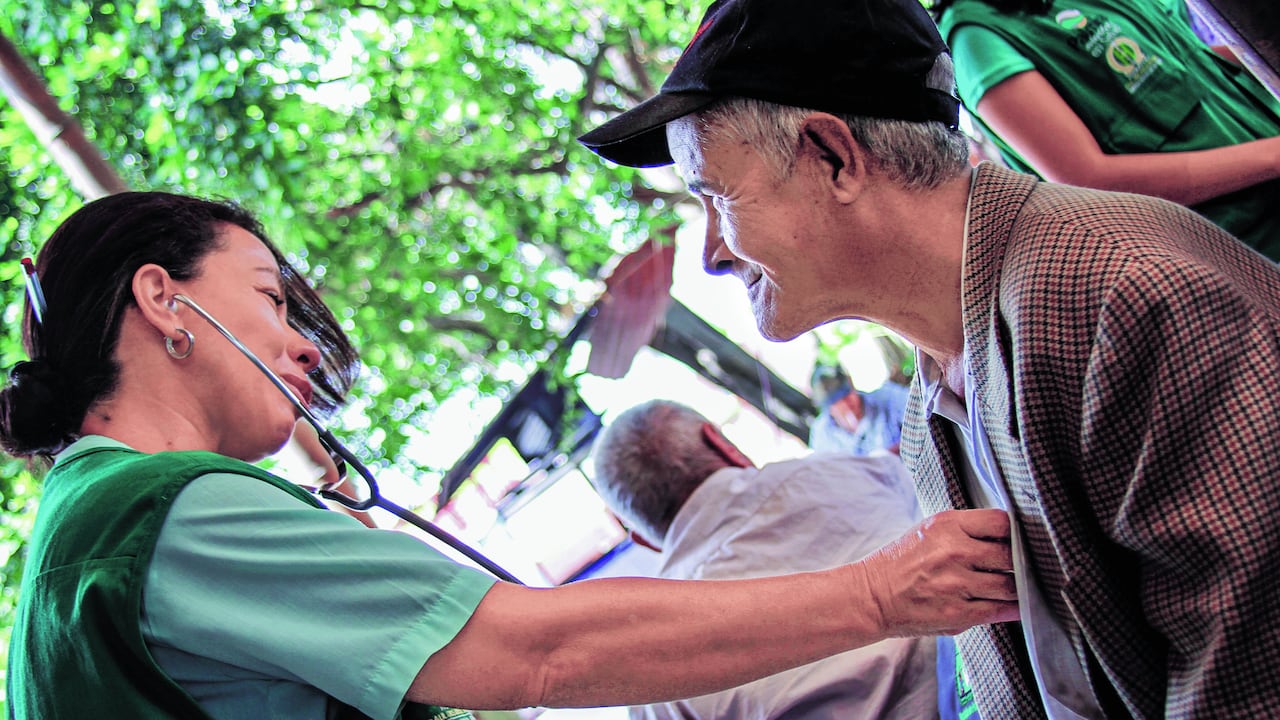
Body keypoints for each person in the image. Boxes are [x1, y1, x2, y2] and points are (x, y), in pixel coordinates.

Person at [0, 191, 1018, 720]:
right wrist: (884, 596)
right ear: (160, 300)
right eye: (270, 299)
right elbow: (537, 652)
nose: (303, 342)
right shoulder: (154, 515)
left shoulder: (90, 530)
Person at [577, 0, 1280, 718]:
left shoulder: (1110, 296)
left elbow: (1252, 675)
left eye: (717, 198)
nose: (712, 253)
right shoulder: (932, 403)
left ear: (832, 156)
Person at [591, 399, 937, 719]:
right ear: (719, 442)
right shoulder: (829, 471)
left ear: (643, 540)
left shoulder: (653, 681)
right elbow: (922, 465)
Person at [926, 0, 1280, 261]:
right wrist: (1271, 155)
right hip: (1241, 250)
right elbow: (1088, 179)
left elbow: (1192, 63)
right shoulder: (977, 37)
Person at [808, 364, 909, 456]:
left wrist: (890, 453)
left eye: (846, 395)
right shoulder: (821, 433)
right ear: (829, 408)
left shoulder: (888, 397)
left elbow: (922, 416)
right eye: (837, 402)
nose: (846, 404)